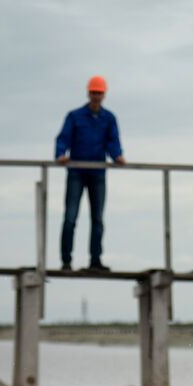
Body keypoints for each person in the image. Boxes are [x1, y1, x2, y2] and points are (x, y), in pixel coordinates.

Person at [55, 75, 125, 272]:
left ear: (104, 95)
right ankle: (66, 261)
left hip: (97, 173)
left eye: (99, 93)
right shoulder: (75, 116)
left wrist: (117, 156)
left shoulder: (109, 118)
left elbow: (113, 141)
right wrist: (61, 154)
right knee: (70, 217)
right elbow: (64, 138)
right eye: (94, 92)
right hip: (76, 171)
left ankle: (95, 260)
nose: (96, 96)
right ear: (88, 93)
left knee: (98, 219)